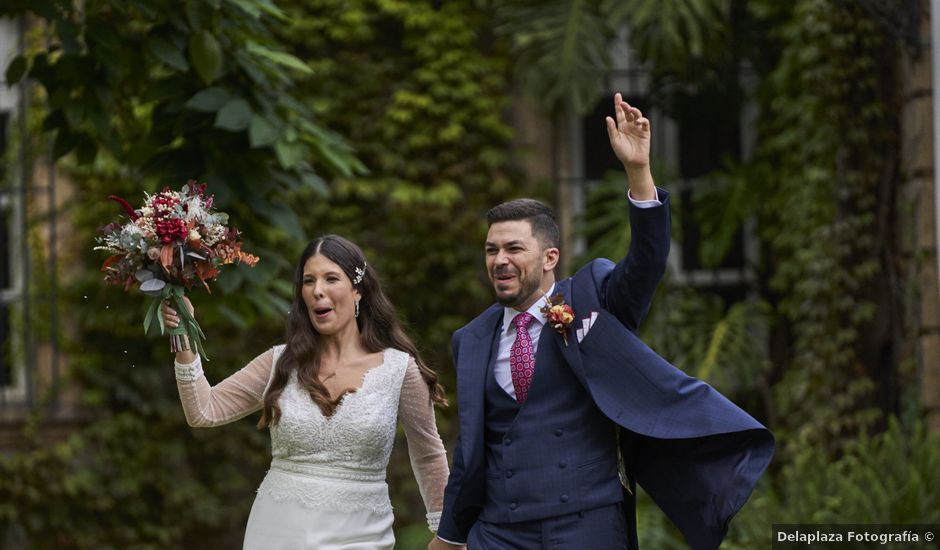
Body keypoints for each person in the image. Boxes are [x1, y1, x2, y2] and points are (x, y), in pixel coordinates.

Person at [430, 93, 775, 550]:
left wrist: (638, 172)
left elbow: (647, 263)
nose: (499, 260)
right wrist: (451, 536)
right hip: (500, 532)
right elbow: (471, 451)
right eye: (491, 250)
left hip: (586, 525)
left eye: (513, 248)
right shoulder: (470, 339)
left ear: (550, 257)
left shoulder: (593, 296)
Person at [162, 235, 458, 550]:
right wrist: (183, 337)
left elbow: (428, 455)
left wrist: (448, 536)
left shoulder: (399, 370)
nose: (317, 290)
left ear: (358, 290)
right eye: (308, 281)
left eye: (331, 279)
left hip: (361, 535)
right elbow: (203, 411)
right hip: (276, 532)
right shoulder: (279, 362)